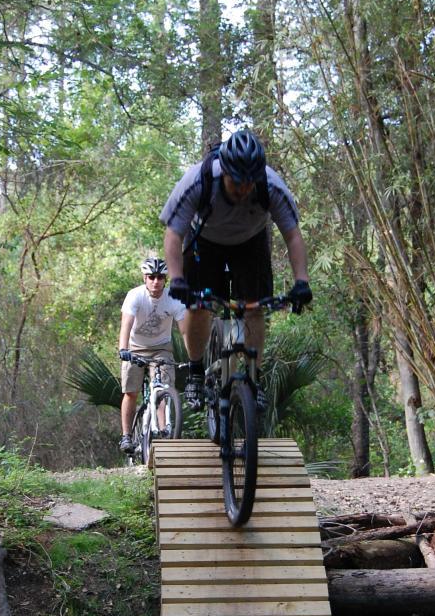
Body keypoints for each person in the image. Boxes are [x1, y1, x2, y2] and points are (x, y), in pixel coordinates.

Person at [160, 127, 312, 408]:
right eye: (237, 183)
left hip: (250, 241)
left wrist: (301, 281)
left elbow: (293, 235)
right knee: (199, 306)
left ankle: (253, 378)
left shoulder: (271, 186)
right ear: (224, 172)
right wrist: (177, 279)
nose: (244, 189)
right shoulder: (200, 180)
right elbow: (173, 234)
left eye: (249, 183)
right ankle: (195, 370)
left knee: (253, 308)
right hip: (204, 240)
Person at [118, 256, 186, 453]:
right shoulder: (135, 295)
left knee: (164, 388)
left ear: (165, 279)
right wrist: (123, 350)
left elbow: (184, 330)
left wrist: (193, 355)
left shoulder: (173, 297)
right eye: (151, 277)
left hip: (161, 348)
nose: (156, 281)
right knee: (131, 392)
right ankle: (126, 436)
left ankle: (164, 432)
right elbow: (126, 325)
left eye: (160, 277)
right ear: (144, 278)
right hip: (135, 347)